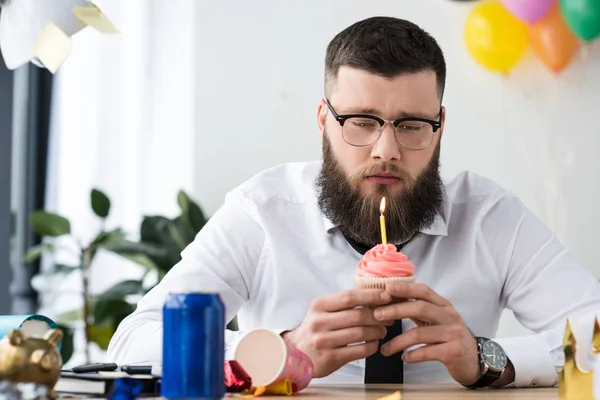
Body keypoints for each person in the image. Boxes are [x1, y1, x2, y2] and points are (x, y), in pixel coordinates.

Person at [107, 16, 600, 388]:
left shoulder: (491, 217)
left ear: (440, 127)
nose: (386, 150)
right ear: (323, 120)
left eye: (410, 125)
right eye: (362, 121)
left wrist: (487, 357)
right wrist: (281, 352)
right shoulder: (263, 211)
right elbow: (137, 339)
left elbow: (594, 334)